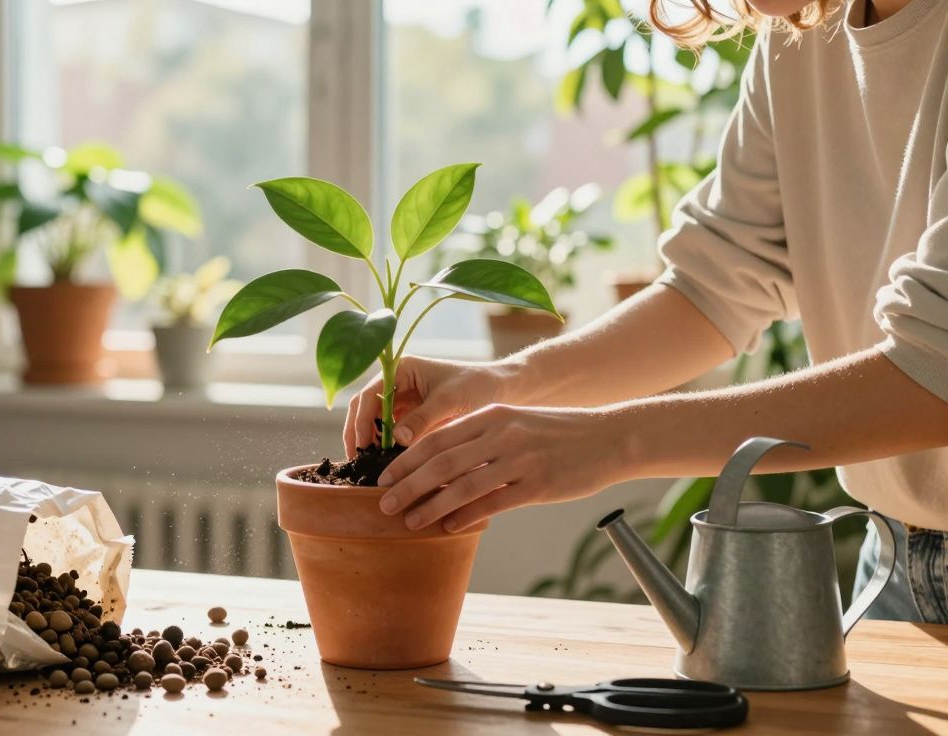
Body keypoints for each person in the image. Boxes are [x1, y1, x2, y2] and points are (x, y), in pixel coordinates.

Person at [344, 0, 948, 624]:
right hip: (893, 562)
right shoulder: (799, 37)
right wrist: (505, 382)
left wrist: (610, 441)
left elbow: (935, 375)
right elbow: (710, 289)